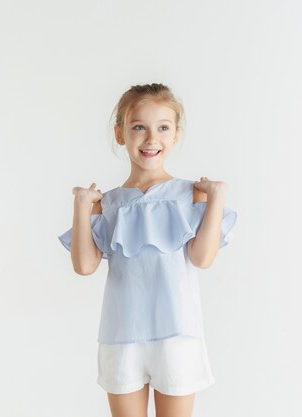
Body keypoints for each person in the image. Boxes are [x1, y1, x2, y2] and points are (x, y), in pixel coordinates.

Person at [58, 82, 237, 417]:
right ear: (120, 133)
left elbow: (202, 258)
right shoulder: (107, 204)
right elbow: (84, 266)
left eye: (163, 128)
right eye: (139, 127)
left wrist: (218, 198)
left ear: (175, 135)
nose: (151, 138)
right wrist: (82, 206)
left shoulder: (189, 195)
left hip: (177, 335)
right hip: (121, 336)